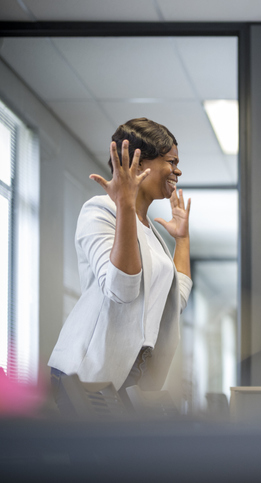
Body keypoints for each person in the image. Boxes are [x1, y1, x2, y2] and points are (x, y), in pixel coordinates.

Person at [48, 118, 192, 415]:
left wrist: (182, 240)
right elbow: (121, 288)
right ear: (138, 163)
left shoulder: (150, 232)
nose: (178, 170)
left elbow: (174, 301)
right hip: (87, 374)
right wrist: (125, 206)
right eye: (171, 161)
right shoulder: (100, 211)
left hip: (130, 377)